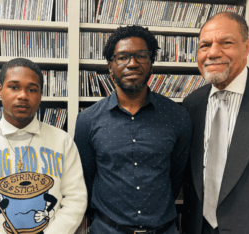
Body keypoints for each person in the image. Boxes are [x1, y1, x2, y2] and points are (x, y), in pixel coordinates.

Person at [74, 25, 192, 234]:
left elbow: (176, 175)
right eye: (123, 57)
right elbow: (87, 177)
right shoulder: (87, 120)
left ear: (151, 64)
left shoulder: (177, 116)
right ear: (110, 67)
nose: (132, 63)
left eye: (141, 56)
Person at [0, 58, 87, 234]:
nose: (23, 95)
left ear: (40, 96)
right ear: (0, 91)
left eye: (32, 89)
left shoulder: (63, 141)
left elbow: (75, 200)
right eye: (14, 87)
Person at [182, 12, 249, 234]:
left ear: (246, 47)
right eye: (205, 45)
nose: (213, 53)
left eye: (226, 43)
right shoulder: (192, 104)